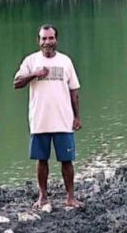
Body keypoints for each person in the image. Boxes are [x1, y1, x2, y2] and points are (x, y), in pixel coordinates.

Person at [13, 24, 82, 211]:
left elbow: (74, 91)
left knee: (66, 160)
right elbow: (16, 83)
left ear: (56, 40)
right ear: (38, 41)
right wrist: (35, 74)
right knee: (41, 160)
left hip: (63, 120)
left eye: (51, 38)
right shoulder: (31, 61)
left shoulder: (65, 61)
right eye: (44, 38)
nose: (47, 42)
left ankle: (70, 197)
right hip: (40, 120)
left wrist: (77, 116)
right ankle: (43, 197)